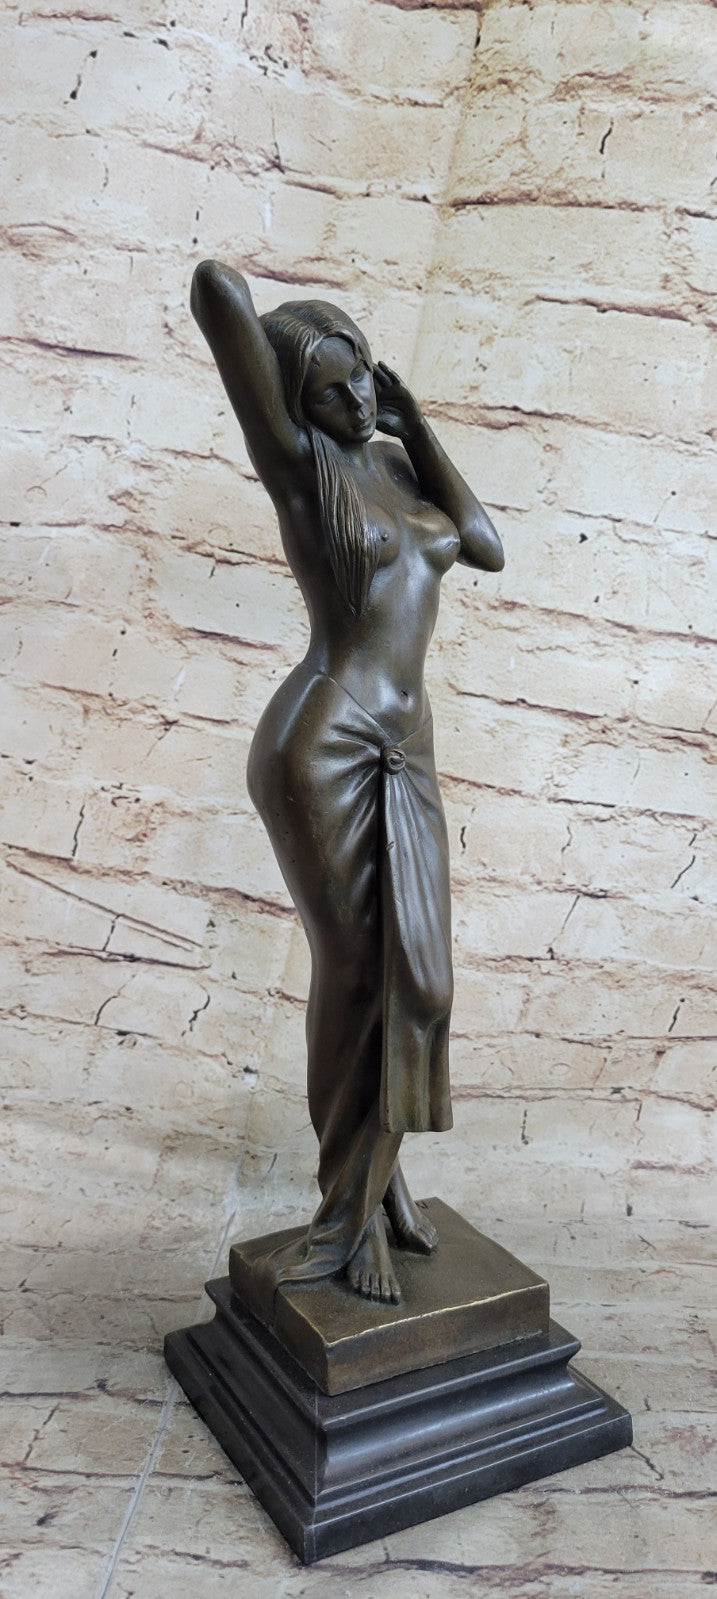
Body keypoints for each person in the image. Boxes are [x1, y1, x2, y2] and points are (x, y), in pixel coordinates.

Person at [191, 261, 505, 1310]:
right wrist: (287, 369)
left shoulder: (399, 465)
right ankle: (350, 1211)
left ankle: (378, 1178)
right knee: (361, 974)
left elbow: (485, 546)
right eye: (329, 392)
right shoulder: (299, 465)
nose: (354, 402)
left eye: (360, 377)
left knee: (421, 980)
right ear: (298, 404)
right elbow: (217, 293)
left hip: (407, 742)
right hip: (322, 743)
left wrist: (416, 423)